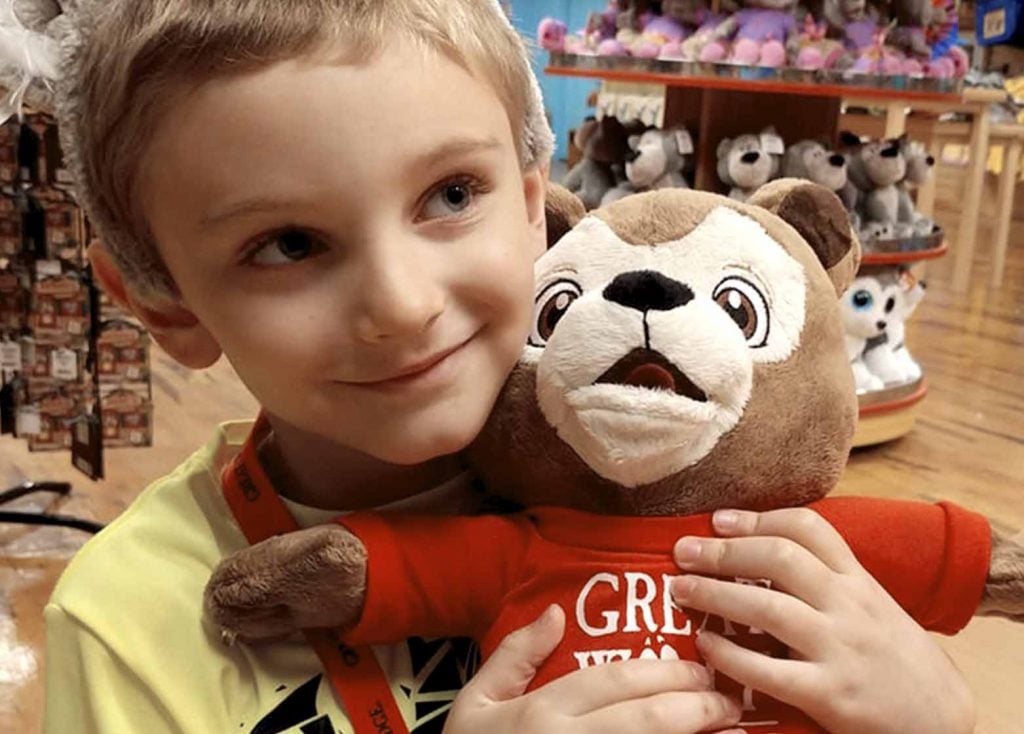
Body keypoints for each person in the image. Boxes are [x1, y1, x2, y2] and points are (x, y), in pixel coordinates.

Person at [33, 1, 974, 732]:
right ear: (161, 299)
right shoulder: (128, 623)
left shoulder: (688, 471)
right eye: (286, 244)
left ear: (535, 208)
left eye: (451, 193)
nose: (402, 303)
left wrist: (938, 718)